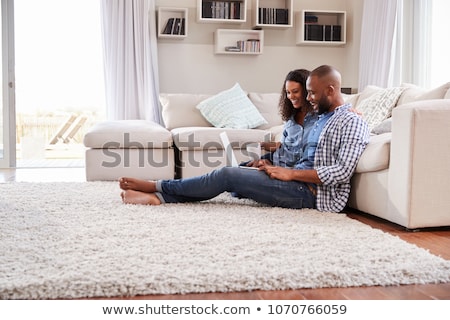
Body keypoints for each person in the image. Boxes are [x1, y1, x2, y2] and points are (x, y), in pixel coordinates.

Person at [119, 65, 370, 212]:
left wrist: (289, 173)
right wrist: (273, 162)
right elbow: (299, 151)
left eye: (311, 93)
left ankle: (157, 188)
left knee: (227, 176)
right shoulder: (321, 116)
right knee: (232, 175)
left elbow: (341, 172)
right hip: (296, 181)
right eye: (307, 93)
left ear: (330, 91)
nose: (309, 98)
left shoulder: (350, 120)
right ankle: (160, 196)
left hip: (313, 193)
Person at [245, 68, 317, 168]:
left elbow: (304, 155)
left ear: (307, 91)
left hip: (285, 170)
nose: (291, 96)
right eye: (288, 92)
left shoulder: (318, 119)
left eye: (295, 91)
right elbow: (285, 145)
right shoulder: (290, 119)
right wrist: (264, 144)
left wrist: (273, 168)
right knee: (235, 169)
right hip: (275, 160)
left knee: (227, 174)